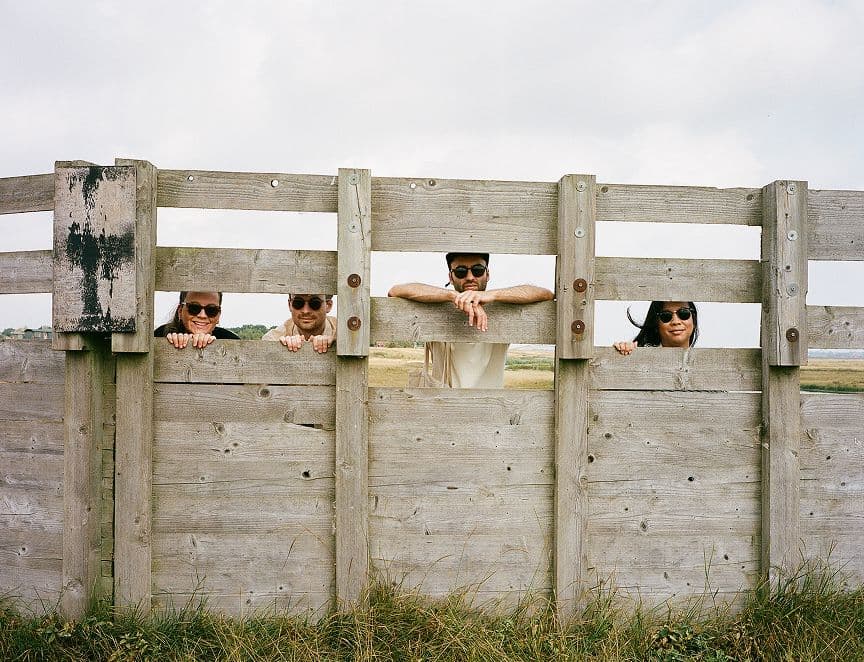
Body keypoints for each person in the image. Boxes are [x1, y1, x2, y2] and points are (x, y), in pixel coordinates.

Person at [388, 252, 553, 388]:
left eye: (478, 270)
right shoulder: (434, 306)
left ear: (487, 274)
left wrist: (492, 295)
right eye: (460, 271)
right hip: (443, 412)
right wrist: (452, 296)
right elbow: (395, 291)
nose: (469, 277)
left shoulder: (502, 309)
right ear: (451, 277)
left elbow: (547, 295)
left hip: (488, 415)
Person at [155, 291, 239, 349]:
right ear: (180, 311)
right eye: (194, 308)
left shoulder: (233, 342)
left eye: (211, 310)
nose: (202, 315)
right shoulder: (159, 335)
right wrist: (171, 345)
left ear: (218, 315)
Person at [613, 301, 699, 355]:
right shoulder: (643, 358)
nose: (676, 321)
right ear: (656, 325)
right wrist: (624, 352)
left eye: (684, 313)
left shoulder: (706, 363)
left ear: (694, 321)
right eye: (666, 316)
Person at [262, 294, 337, 353]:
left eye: (315, 303)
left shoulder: (344, 333)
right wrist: (283, 349)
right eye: (298, 303)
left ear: (328, 305)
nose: (305, 311)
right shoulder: (274, 337)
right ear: (290, 305)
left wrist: (336, 343)